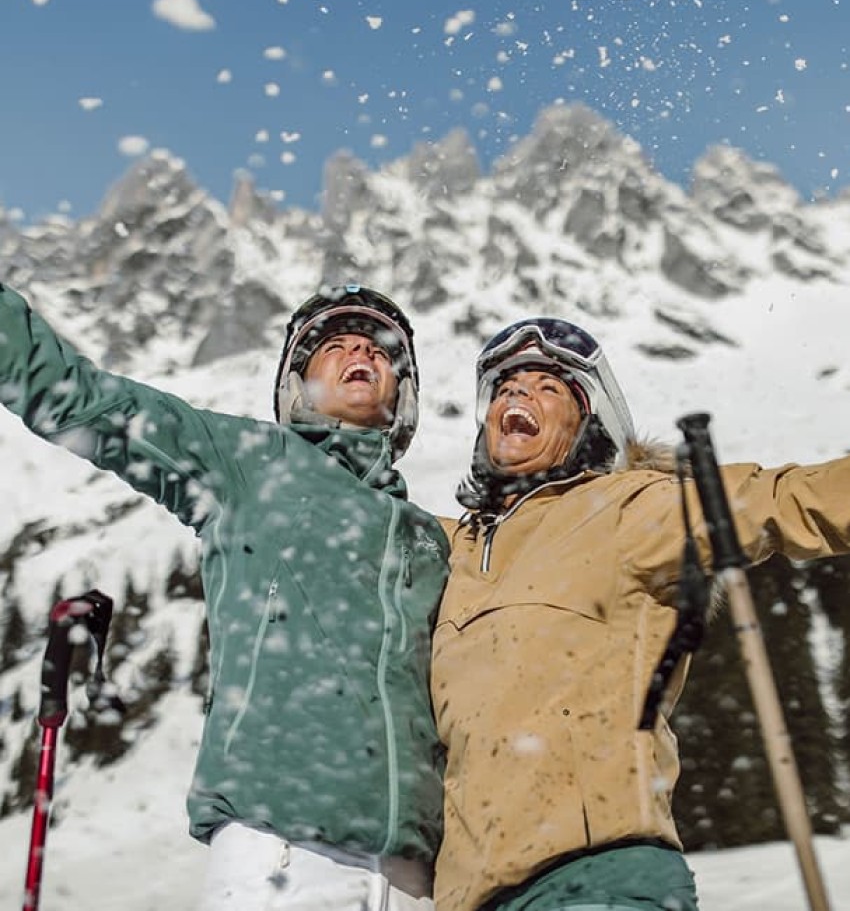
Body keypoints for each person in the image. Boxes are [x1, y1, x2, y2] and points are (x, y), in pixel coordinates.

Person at [0, 280, 449, 911]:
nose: (363, 353)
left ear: (403, 395)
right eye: (336, 346)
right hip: (282, 853)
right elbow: (81, 399)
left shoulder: (433, 538)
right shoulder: (249, 464)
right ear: (297, 387)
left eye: (381, 350)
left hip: (414, 879)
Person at [430, 316, 850, 911]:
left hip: (597, 876)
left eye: (548, 387)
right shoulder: (452, 551)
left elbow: (779, 500)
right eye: (506, 387)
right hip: (470, 896)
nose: (519, 395)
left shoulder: (624, 510)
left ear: (587, 426)